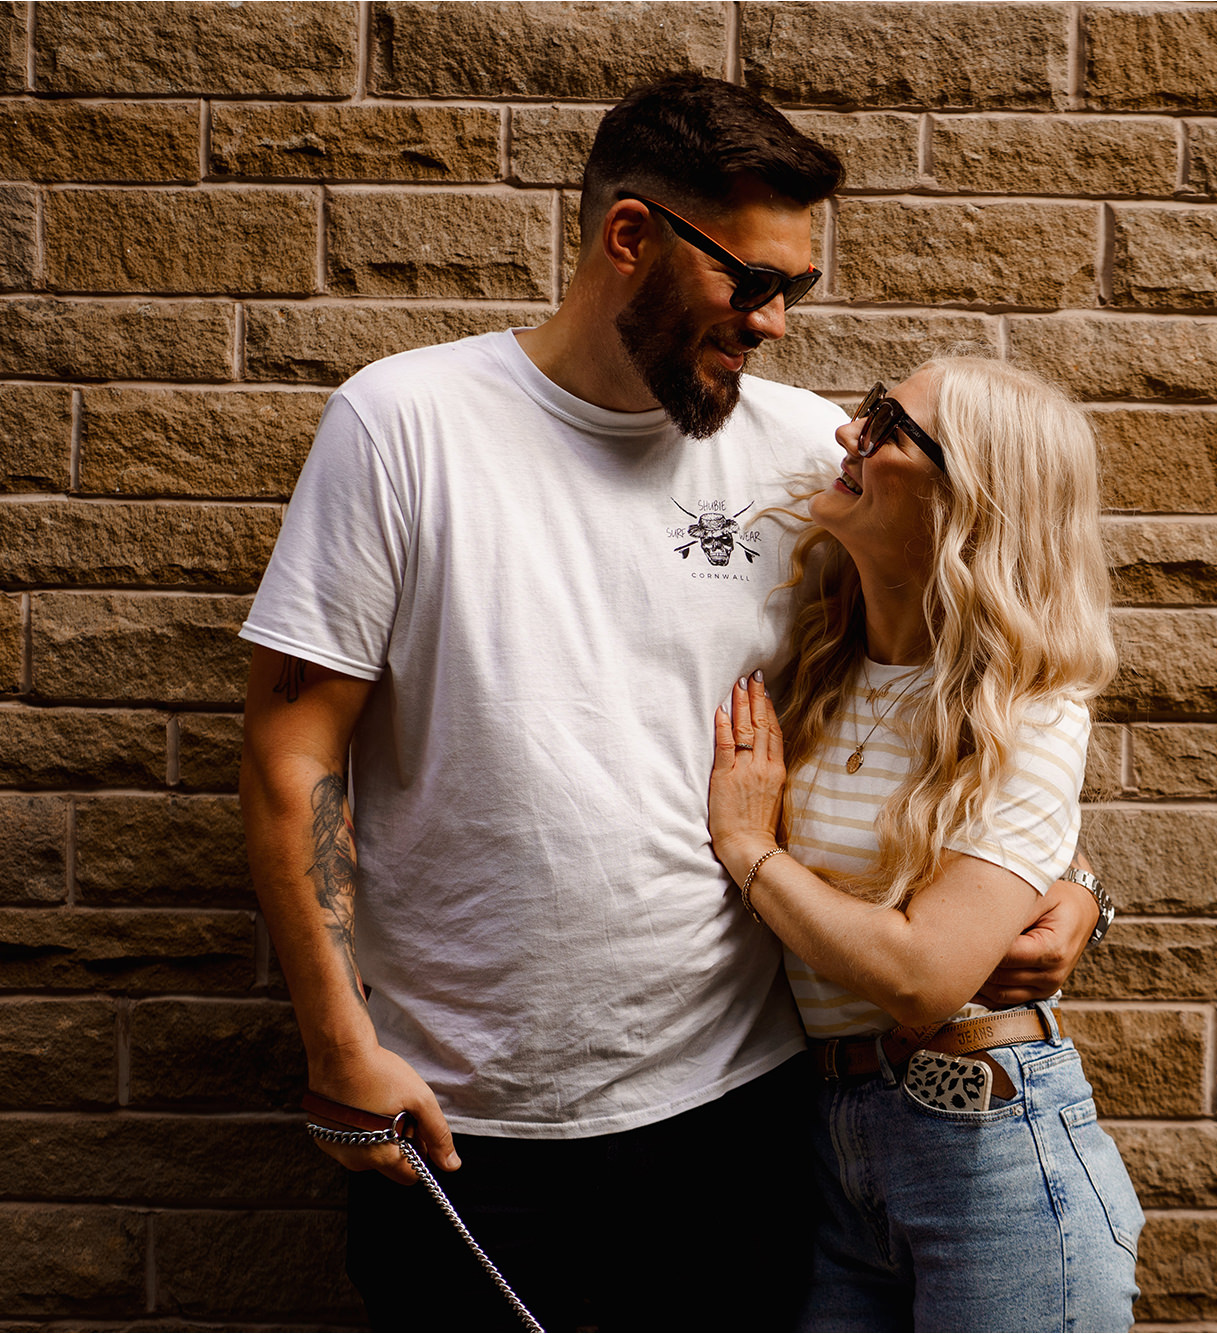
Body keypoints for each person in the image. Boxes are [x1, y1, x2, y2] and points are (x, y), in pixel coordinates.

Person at [237, 75, 1105, 1332]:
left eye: (797, 291)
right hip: (464, 1112)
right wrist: (334, 1040)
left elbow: (980, 669)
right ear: (629, 236)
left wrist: (1065, 876)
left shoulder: (820, 456)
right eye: (751, 281)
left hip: (742, 1111)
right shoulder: (404, 423)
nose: (775, 324)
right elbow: (290, 744)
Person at [707, 359, 1142, 1332]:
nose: (845, 433)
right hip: (829, 1150)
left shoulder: (1025, 707)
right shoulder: (816, 661)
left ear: (967, 501)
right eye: (870, 403)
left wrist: (748, 849)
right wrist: (1073, 883)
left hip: (985, 1150)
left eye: (889, 423)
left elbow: (922, 974)